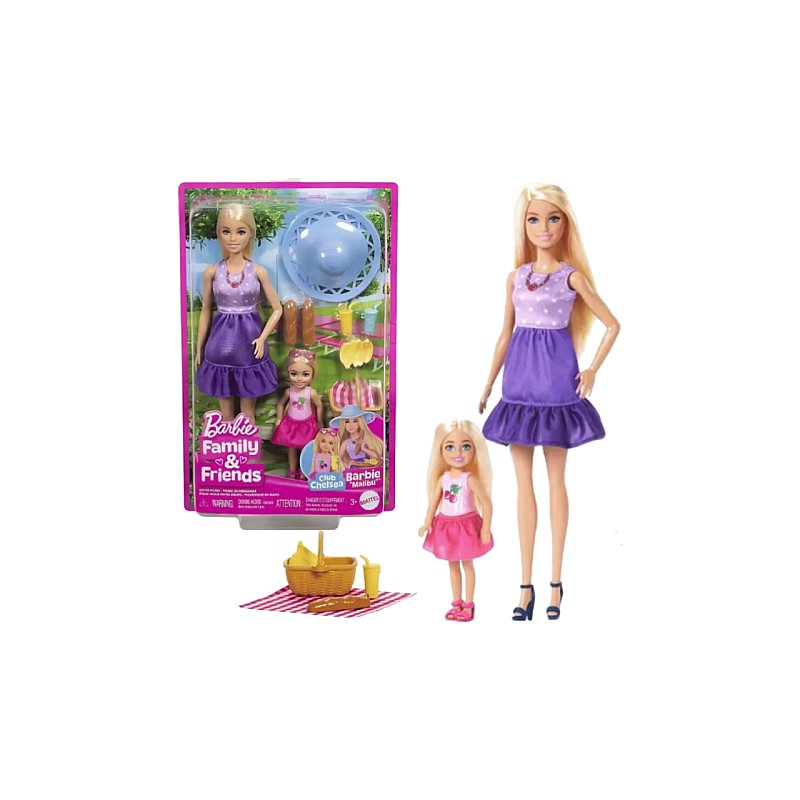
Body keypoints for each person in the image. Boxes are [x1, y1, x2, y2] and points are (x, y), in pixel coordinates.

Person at [479, 184, 620, 621]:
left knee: (556, 481)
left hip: (557, 382)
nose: (543, 227)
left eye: (553, 218)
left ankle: (556, 583)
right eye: (534, 219)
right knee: (522, 485)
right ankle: (526, 585)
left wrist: (592, 369)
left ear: (565, 224)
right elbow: (505, 333)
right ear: (523, 225)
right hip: (519, 384)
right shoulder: (516, 277)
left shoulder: (571, 277)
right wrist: (488, 383)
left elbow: (612, 324)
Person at [195, 203, 282, 422]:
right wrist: (199, 348)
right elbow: (205, 310)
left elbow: (277, 309)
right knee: (225, 413)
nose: (233, 238)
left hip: (249, 344)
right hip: (220, 344)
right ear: (219, 234)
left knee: (247, 412)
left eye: (240, 232)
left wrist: (262, 338)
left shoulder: (258, 271)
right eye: (226, 231)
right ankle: (226, 441)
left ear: (250, 234)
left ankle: (248, 443)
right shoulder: (212, 272)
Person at [418, 420, 493, 622]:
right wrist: (427, 522)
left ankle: (469, 604)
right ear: (440, 450)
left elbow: (486, 503)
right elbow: (434, 502)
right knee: (452, 566)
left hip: (466, 526)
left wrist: (486, 527)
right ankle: (456, 602)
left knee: (467, 565)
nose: (458, 452)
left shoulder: (469, 478)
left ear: (475, 449)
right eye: (450, 447)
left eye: (466, 446)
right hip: (446, 525)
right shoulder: (443, 479)